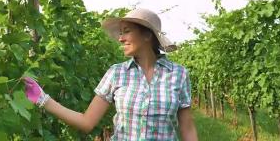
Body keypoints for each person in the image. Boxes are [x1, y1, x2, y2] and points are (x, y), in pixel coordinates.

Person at [23, 8, 198, 141]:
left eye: (126, 31)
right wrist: (43, 99)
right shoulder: (117, 73)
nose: (120, 38)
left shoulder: (178, 74)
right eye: (120, 33)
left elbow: (187, 128)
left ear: (147, 35)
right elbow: (87, 122)